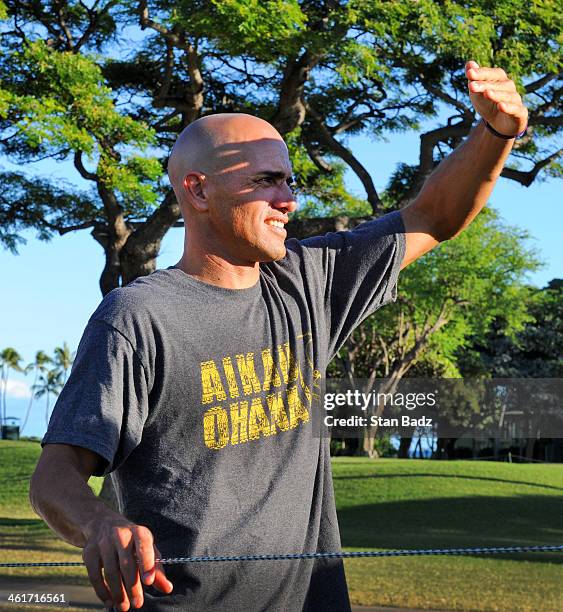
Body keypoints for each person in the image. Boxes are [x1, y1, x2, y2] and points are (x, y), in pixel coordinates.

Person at [30, 61, 527, 612]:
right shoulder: (138, 317)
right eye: (265, 181)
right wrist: (100, 522)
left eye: (289, 180)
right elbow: (55, 475)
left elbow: (433, 215)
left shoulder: (309, 281)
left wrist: (497, 132)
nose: (288, 199)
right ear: (198, 190)